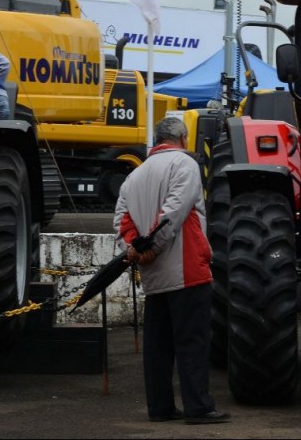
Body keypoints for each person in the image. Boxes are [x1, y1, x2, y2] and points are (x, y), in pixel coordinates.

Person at [113, 117, 230, 425]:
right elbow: (174, 213)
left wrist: (137, 249)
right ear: (182, 137)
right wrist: (152, 246)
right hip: (186, 268)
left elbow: (122, 222)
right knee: (193, 341)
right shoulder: (185, 165)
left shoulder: (134, 177)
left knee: (158, 348)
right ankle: (199, 407)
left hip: (153, 276)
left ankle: (161, 407)